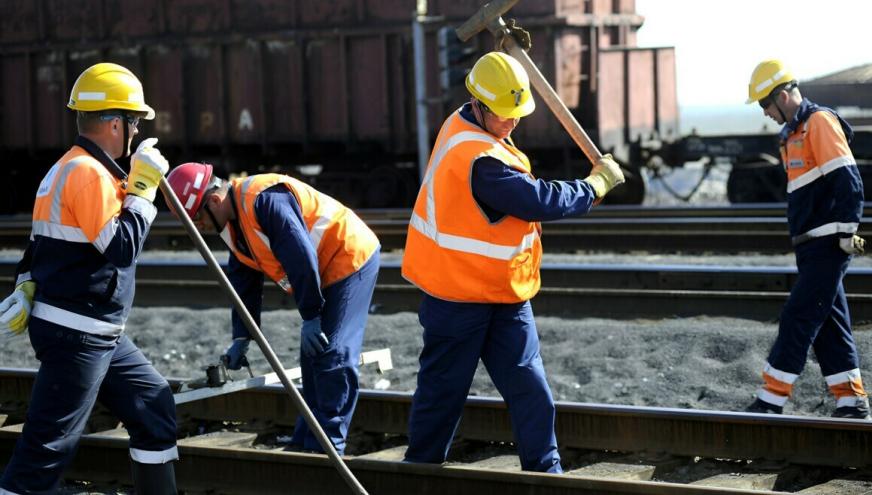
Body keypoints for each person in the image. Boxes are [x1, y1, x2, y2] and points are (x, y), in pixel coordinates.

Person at [401, 51, 625, 473]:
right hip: (456, 295)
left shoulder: (467, 120)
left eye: (517, 113)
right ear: (480, 106)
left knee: (529, 385)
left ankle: (546, 472)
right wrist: (593, 186)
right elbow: (536, 200)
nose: (513, 122)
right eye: (505, 114)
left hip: (503, 291)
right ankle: (419, 473)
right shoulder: (479, 160)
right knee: (443, 394)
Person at [0, 63, 177, 493]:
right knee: (47, 450)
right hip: (77, 332)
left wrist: (26, 281)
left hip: (97, 331)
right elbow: (120, 248)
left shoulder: (65, 169)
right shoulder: (87, 174)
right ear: (116, 123)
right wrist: (143, 190)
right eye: (134, 122)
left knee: (153, 406)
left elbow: (38, 245)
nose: (134, 132)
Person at [164, 163, 380, 454]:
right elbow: (243, 278)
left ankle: (328, 447)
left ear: (214, 200)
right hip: (320, 270)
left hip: (349, 257)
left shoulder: (264, 199)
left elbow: (299, 256)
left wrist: (311, 315)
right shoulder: (228, 221)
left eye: (197, 217)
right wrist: (242, 335)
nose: (198, 226)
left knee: (333, 354)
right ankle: (307, 443)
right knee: (313, 360)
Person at [743, 59, 870, 419]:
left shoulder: (819, 123)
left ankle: (771, 398)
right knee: (829, 322)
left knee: (798, 315)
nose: (764, 112)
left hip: (828, 242)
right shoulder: (794, 134)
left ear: (783, 96)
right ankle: (851, 401)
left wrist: (848, 230)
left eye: (765, 104)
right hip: (810, 244)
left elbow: (848, 179)